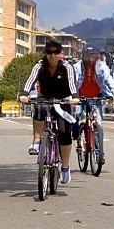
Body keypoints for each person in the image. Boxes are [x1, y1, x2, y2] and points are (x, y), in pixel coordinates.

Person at [19, 39, 79, 184]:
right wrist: (24, 94)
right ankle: (36, 141)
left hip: (63, 100)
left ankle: (65, 167)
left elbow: (72, 83)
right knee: (39, 107)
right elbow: (30, 80)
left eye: (56, 52)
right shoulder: (39, 65)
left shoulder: (67, 67)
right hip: (45, 97)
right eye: (49, 52)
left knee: (65, 133)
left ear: (60, 54)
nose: (53, 55)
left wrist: (75, 98)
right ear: (45, 53)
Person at [72, 47, 114, 163]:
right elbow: (72, 83)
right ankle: (77, 137)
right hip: (79, 97)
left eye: (94, 55)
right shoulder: (77, 67)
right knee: (75, 115)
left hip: (96, 97)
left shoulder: (101, 66)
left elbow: (109, 79)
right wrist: (72, 97)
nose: (92, 58)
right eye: (89, 55)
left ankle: (99, 154)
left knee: (98, 123)